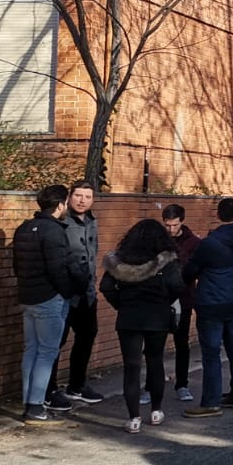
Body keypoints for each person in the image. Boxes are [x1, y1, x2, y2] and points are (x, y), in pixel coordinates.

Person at [99, 218, 182, 432]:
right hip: (157, 317)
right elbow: (177, 286)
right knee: (155, 362)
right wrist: (163, 301)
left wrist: (121, 304)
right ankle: (156, 410)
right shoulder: (166, 261)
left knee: (131, 366)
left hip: (128, 317)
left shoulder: (119, 261)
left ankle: (134, 417)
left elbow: (106, 286)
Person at [12, 184, 78, 423]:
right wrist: (68, 291)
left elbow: (17, 266)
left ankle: (29, 402)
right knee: (47, 352)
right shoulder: (55, 231)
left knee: (31, 350)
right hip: (49, 298)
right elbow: (58, 268)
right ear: (60, 205)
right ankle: (36, 405)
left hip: (27, 297)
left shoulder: (23, 229)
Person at [182, 197, 233, 417]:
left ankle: (211, 402)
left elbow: (190, 270)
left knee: (211, 353)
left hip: (212, 301)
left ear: (218, 214)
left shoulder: (210, 243)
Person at [46, 180, 103, 407]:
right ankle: (49, 389)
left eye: (87, 197)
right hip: (65, 294)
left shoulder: (92, 221)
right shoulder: (61, 222)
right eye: (78, 196)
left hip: (87, 292)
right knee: (57, 342)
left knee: (87, 336)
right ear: (69, 197)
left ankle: (77, 385)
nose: (82, 201)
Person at [162, 205, 202, 401]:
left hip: (183, 297)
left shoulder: (193, 242)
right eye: (167, 225)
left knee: (181, 343)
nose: (171, 229)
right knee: (155, 344)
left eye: (174, 225)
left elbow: (194, 269)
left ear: (182, 222)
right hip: (160, 299)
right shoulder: (158, 239)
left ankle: (182, 384)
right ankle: (152, 386)